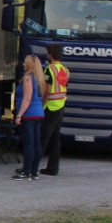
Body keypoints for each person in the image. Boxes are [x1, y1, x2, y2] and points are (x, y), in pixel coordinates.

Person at [12, 54, 46, 181]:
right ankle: (34, 170)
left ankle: (26, 170)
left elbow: (27, 98)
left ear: (30, 65)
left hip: (29, 114)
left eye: (25, 63)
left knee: (28, 144)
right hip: (38, 113)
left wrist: (19, 115)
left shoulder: (27, 78)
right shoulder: (40, 78)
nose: (23, 64)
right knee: (37, 143)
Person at [40, 43, 69, 176]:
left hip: (50, 107)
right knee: (55, 139)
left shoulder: (49, 70)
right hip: (61, 106)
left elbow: (47, 90)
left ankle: (32, 167)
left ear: (50, 55)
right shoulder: (65, 69)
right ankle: (53, 168)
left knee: (43, 138)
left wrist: (42, 105)